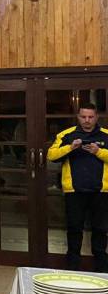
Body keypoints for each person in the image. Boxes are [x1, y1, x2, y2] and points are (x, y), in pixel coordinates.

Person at [47, 103, 108, 272]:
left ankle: (102, 269)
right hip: (74, 191)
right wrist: (70, 147)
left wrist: (98, 152)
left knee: (100, 230)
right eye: (83, 117)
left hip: (101, 191)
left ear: (96, 117)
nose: (87, 120)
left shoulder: (106, 135)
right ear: (78, 117)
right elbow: (51, 155)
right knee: (74, 229)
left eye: (90, 117)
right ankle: (73, 267)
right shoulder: (66, 135)